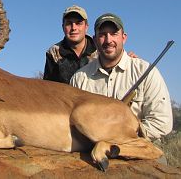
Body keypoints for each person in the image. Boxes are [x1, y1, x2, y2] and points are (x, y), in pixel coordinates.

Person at [70, 13, 173, 142]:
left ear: (124, 38)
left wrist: (122, 136)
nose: (108, 40)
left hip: (139, 145)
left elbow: (162, 122)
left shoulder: (146, 71)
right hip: (92, 147)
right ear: (95, 40)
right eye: (102, 35)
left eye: (114, 34)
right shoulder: (79, 78)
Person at [43, 5, 97, 84]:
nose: (73, 28)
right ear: (63, 27)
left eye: (78, 23)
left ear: (86, 27)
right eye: (69, 23)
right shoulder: (54, 52)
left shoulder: (99, 49)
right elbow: (48, 86)